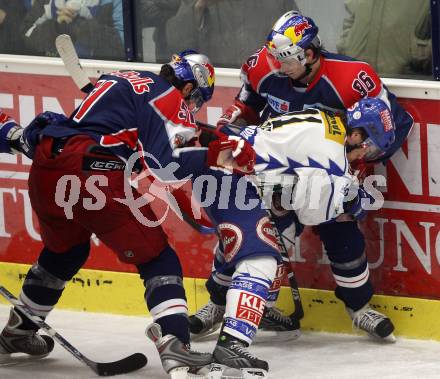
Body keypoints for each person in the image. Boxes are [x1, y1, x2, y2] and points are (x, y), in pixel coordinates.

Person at [0, 50, 256, 377]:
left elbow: (148, 130)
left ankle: (18, 332)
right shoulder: (170, 98)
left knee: (64, 252)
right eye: (194, 102)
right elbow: (167, 166)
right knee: (157, 258)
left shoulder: (124, 78)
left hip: (48, 165)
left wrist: (210, 138)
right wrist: (213, 157)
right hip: (92, 171)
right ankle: (176, 344)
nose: (190, 110)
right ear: (190, 88)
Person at [190, 11, 414, 342]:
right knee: (249, 233)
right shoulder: (262, 67)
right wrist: (228, 130)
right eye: (274, 58)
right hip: (280, 168)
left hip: (329, 169)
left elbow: (390, 125)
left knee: (342, 231)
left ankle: (359, 306)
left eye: (285, 59)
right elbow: (244, 108)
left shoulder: (353, 77)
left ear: (309, 54)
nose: (276, 66)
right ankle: (218, 302)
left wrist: (360, 160)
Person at [336, 0, 431, 76]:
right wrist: (345, 45)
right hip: (356, 81)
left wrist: (419, 53)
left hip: (409, 84)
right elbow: (351, 16)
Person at [21, 0, 124, 59]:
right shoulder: (47, 2)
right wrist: (56, 27)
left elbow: (123, 47)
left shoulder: (111, 2)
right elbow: (26, 38)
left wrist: (79, 27)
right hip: (53, 72)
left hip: (97, 74)